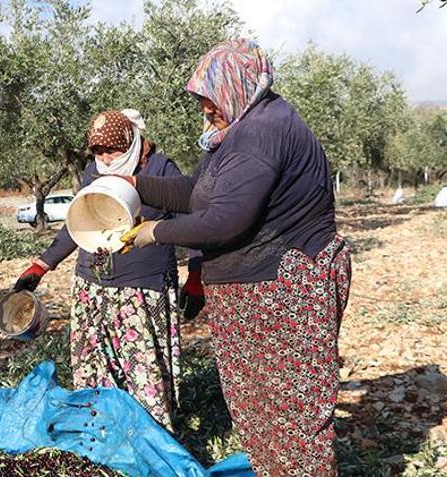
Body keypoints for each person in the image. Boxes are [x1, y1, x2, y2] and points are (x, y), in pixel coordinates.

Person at [119, 40, 352, 475]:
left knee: (291, 416)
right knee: (257, 410)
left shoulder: (263, 130)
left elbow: (225, 219)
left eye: (211, 101)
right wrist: (136, 184)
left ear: (236, 86)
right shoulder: (239, 132)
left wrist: (156, 232)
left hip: (285, 290)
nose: (207, 111)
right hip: (253, 291)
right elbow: (198, 194)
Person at [12, 109, 203, 430]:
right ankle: (102, 432)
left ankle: (149, 436)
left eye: (111, 150)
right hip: (93, 289)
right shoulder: (92, 172)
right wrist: (42, 265)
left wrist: (196, 277)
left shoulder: (161, 168)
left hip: (142, 290)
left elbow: (194, 223)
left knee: (143, 370)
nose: (105, 158)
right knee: (95, 366)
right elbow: (76, 222)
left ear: (130, 143)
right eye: (97, 151)